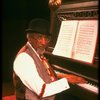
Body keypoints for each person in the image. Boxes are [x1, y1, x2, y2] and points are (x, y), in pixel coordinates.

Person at [13, 18, 87, 100]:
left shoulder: (37, 51)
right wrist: (67, 80)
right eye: (39, 37)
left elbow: (44, 73)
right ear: (30, 37)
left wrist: (62, 75)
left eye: (46, 38)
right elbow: (42, 91)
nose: (44, 42)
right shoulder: (24, 59)